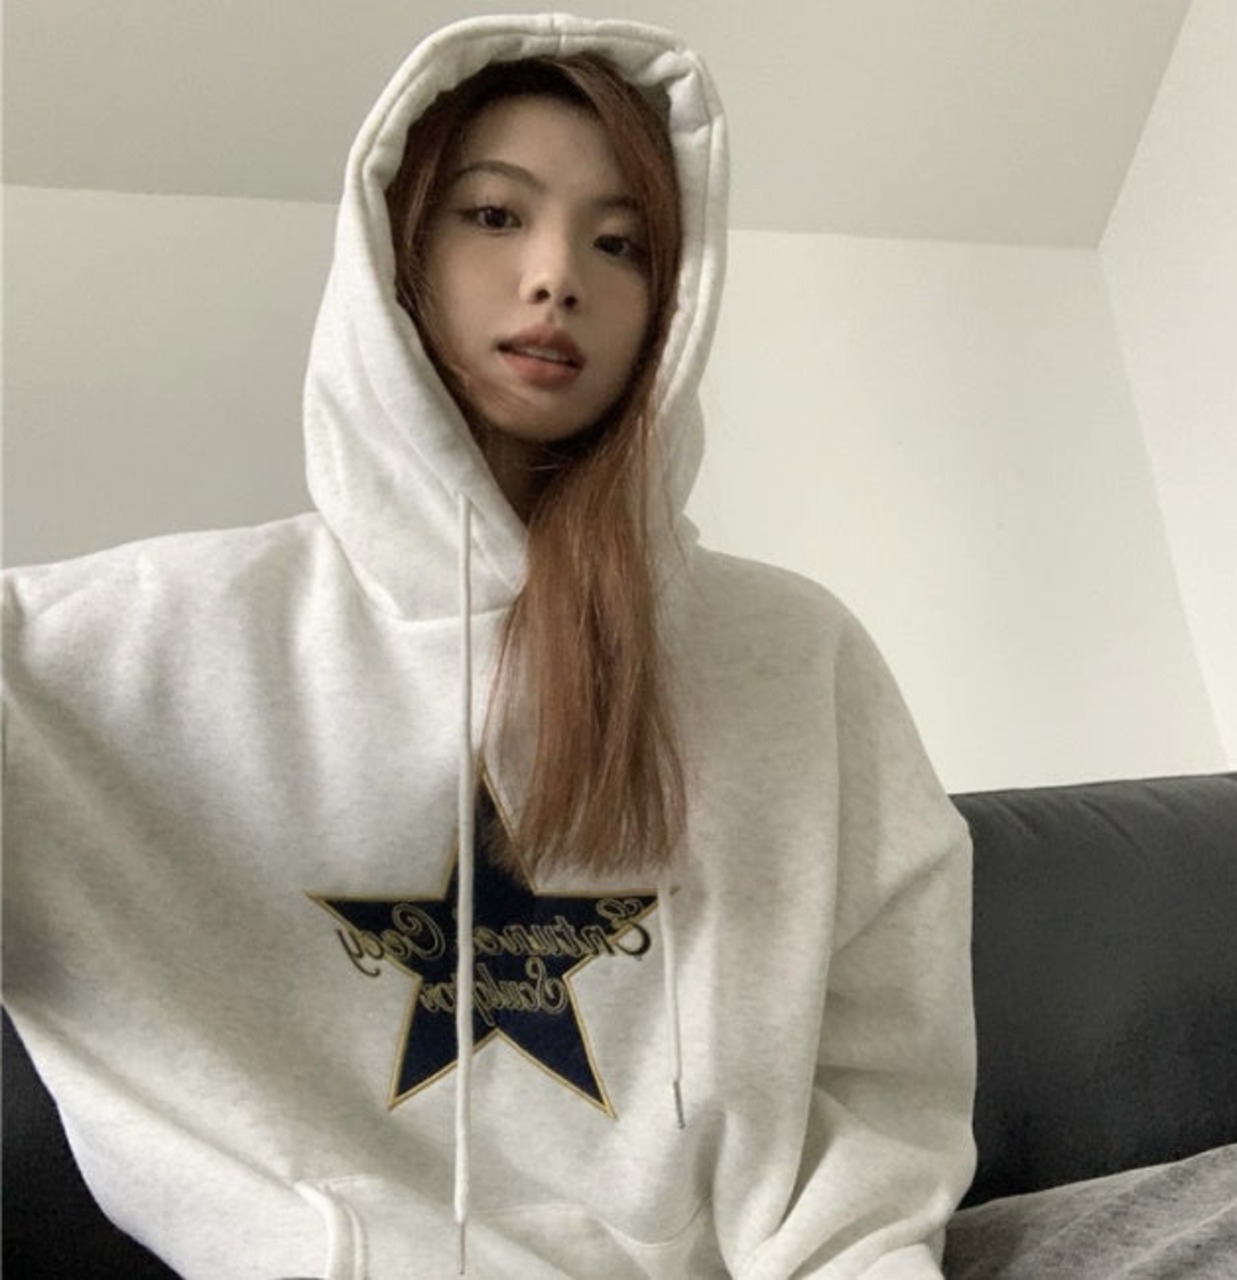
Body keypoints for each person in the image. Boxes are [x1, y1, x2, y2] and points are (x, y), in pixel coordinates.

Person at [3, 13, 975, 1278]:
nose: (556, 274)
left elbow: (877, 1087)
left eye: (619, 242)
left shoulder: (794, 650)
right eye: (494, 215)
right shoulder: (146, 641)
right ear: (397, 250)